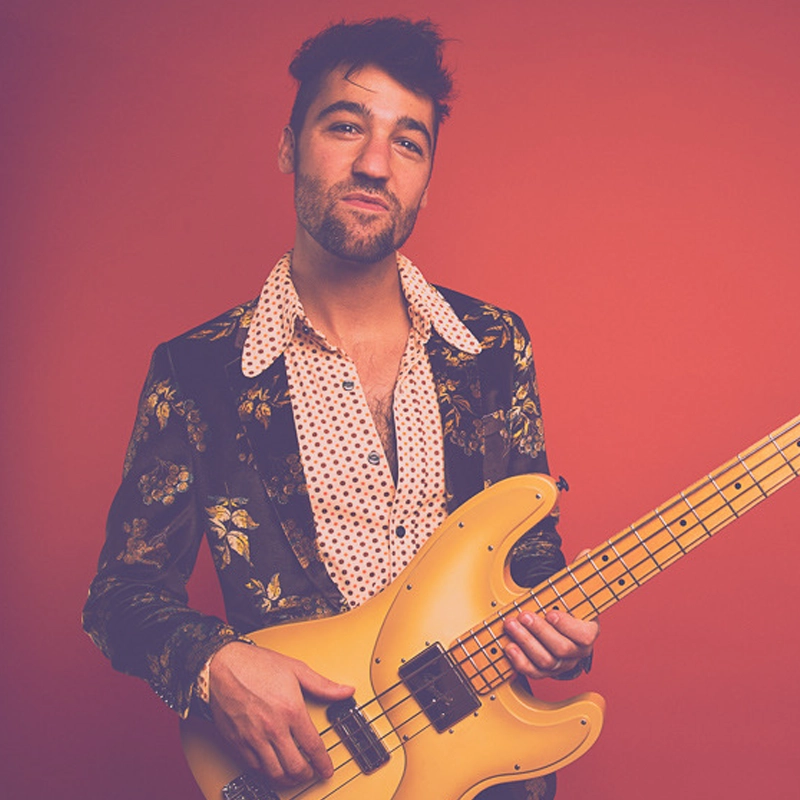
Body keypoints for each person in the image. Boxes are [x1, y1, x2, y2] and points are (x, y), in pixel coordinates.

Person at [83, 17, 599, 800]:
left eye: (407, 142)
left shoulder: (494, 346)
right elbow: (120, 596)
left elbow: (529, 555)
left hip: (488, 769)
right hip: (315, 775)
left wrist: (559, 634)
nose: (374, 164)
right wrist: (216, 663)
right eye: (346, 126)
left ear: (427, 178)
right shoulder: (199, 373)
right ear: (289, 147)